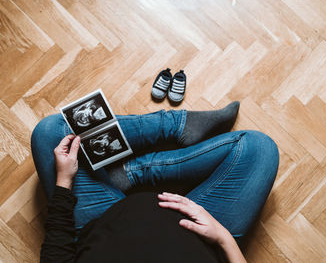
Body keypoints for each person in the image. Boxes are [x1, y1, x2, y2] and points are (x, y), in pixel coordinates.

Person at [31, 101, 279, 263]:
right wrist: (222, 237)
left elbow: (57, 256)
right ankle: (173, 130)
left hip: (99, 221)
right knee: (258, 148)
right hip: (202, 231)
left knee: (51, 131)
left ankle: (145, 159)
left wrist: (64, 181)